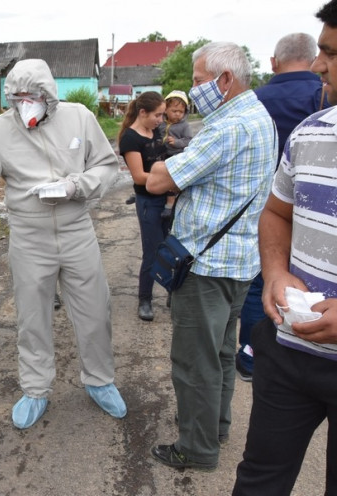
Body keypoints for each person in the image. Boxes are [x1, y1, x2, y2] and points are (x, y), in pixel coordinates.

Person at [0, 58, 126, 429]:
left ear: (50, 94)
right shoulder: (0, 131)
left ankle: (100, 380)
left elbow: (107, 167)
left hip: (76, 227)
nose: (25, 103)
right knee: (32, 318)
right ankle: (35, 389)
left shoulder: (78, 117)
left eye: (33, 96)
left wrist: (74, 185)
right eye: (17, 97)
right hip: (29, 236)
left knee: (96, 311)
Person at [146, 42, 277, 470]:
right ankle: (214, 426)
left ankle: (197, 448)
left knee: (194, 361)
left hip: (206, 265)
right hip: (239, 260)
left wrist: (172, 172)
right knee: (221, 353)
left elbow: (158, 180)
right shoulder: (259, 117)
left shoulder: (227, 128)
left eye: (199, 80)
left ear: (224, 80)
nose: (193, 88)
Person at [233, 3, 337, 492]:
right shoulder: (312, 132)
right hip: (291, 353)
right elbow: (276, 213)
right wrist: (274, 270)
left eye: (333, 54)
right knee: (259, 480)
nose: (319, 66)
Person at [236, 31, 328, 382]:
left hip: (262, 208)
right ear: (311, 57)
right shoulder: (322, 97)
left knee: (260, 282)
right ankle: (307, 351)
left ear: (273, 63)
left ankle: (251, 353)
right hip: (313, 214)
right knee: (310, 286)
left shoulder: (255, 99)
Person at [117, 91, 169, 322]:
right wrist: (170, 180)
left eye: (163, 115)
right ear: (142, 112)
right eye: (157, 115)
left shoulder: (155, 130)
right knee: (152, 251)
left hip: (167, 197)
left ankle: (171, 293)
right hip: (149, 201)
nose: (161, 120)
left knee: (170, 248)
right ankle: (145, 299)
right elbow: (138, 177)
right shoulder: (130, 138)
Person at [157, 90, 194, 220]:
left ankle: (169, 205)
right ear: (165, 109)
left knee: (171, 182)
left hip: (176, 156)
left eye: (181, 112)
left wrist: (177, 142)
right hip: (162, 155)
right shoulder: (161, 123)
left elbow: (189, 140)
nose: (178, 114)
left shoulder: (184, 126)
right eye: (174, 111)